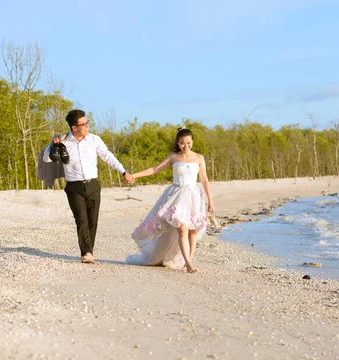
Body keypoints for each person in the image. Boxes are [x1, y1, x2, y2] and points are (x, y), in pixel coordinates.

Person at [43, 109, 134, 264]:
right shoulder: (64, 141)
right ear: (74, 128)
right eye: (84, 124)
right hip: (74, 187)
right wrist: (53, 143)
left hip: (93, 185)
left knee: (93, 221)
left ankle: (88, 251)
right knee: (81, 220)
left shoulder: (94, 140)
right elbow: (46, 158)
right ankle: (87, 253)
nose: (88, 125)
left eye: (88, 122)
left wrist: (123, 171)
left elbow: (108, 156)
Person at [126, 128, 215, 273]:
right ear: (178, 143)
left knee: (192, 231)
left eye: (188, 143)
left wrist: (210, 200)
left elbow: (204, 180)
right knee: (181, 228)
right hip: (176, 195)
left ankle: (188, 262)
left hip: (193, 196)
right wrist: (134, 175)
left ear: (192, 141)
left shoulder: (199, 158)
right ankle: (189, 263)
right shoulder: (174, 157)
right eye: (182, 143)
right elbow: (155, 169)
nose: (185, 146)